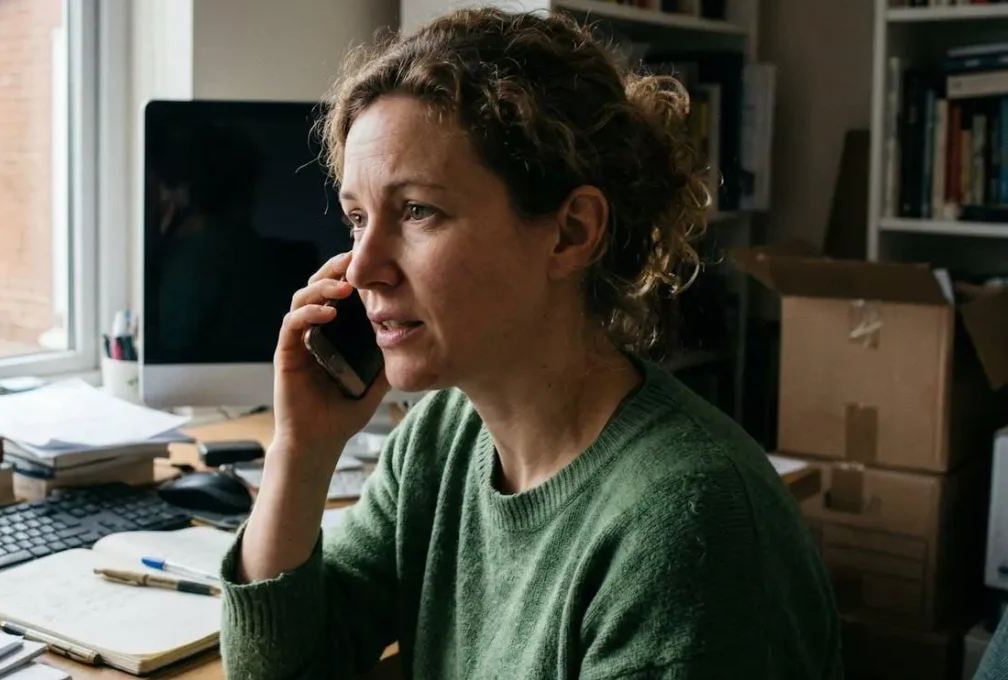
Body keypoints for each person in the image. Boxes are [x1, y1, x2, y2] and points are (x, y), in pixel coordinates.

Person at [219, 7, 842, 679]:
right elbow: (280, 670)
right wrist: (301, 451)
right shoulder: (439, 442)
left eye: (418, 211)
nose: (363, 267)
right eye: (358, 218)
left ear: (571, 232)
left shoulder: (688, 524)